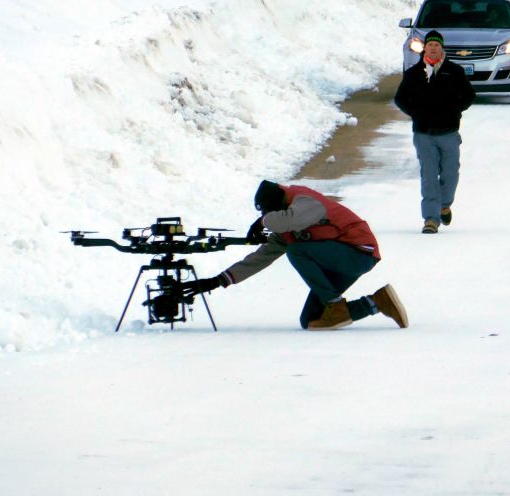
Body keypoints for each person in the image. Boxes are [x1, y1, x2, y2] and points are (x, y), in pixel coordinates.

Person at [178, 180, 408, 330]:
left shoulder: (304, 201)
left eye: (270, 212)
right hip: (338, 261)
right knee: (311, 320)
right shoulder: (286, 226)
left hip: (358, 253)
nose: (269, 219)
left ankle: (335, 304)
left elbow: (290, 219)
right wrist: (217, 281)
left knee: (297, 251)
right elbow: (261, 258)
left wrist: (262, 220)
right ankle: (377, 302)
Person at [394, 29, 476, 234]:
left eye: (437, 45)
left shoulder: (454, 72)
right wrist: (416, 113)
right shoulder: (413, 74)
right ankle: (430, 219)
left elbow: (468, 95)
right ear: (425, 48)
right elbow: (400, 99)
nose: (433, 48)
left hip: (448, 132)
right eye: (430, 45)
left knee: (450, 173)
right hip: (424, 134)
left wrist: (455, 110)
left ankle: (444, 205)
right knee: (429, 175)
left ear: (441, 48)